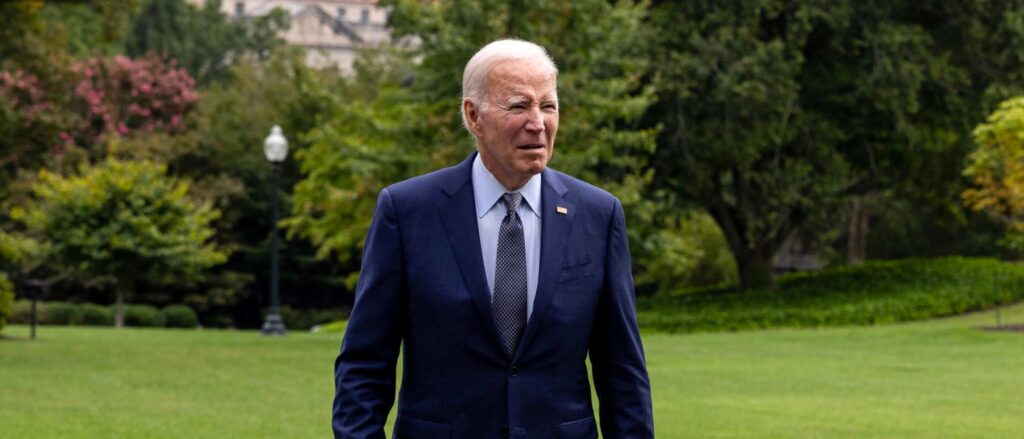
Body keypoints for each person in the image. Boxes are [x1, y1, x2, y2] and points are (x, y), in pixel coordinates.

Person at [332, 38, 654, 439]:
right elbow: (364, 365)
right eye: (518, 106)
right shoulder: (407, 211)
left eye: (548, 106)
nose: (538, 123)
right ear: (474, 116)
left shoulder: (598, 215)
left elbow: (622, 372)